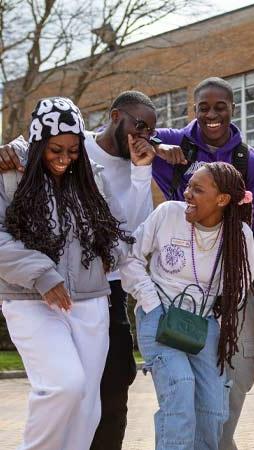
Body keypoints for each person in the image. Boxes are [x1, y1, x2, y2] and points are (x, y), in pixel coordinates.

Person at [0, 90, 158, 450]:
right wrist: (42, 274)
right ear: (39, 143)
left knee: (87, 402)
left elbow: (121, 232)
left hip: (90, 301)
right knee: (63, 385)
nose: (65, 159)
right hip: (29, 298)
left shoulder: (92, 179)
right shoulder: (11, 175)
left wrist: (110, 254)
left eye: (73, 151)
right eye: (56, 150)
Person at [152, 76, 254, 450]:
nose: (212, 114)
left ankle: (219, 442)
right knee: (182, 384)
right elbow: (128, 135)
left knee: (236, 375)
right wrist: (157, 146)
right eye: (203, 107)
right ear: (194, 109)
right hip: (181, 288)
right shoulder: (175, 142)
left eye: (220, 106)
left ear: (232, 109)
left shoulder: (251, 162)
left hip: (232, 282)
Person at [120, 161, 254, 450]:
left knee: (213, 405)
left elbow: (239, 290)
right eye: (188, 186)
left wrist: (213, 318)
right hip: (159, 316)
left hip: (202, 324)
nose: (187, 194)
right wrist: (151, 303)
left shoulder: (239, 235)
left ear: (222, 200)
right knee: (179, 387)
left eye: (197, 189)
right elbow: (131, 260)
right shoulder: (168, 214)